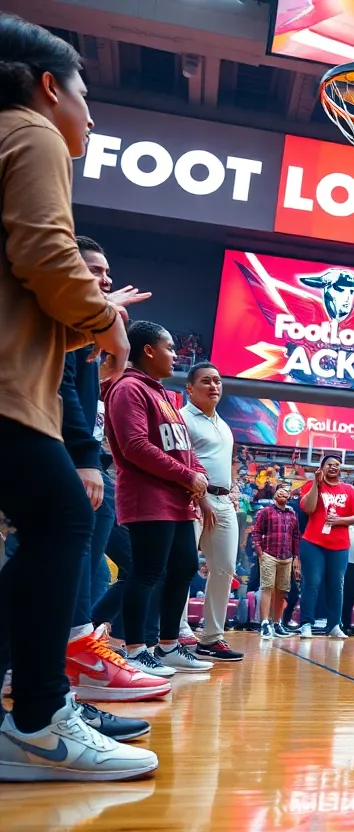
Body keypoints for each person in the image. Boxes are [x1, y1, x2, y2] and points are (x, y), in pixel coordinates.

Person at [0, 16, 156, 782]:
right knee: (63, 516)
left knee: (53, 520)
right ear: (49, 84)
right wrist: (105, 324)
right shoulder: (31, 132)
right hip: (5, 393)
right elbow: (41, 249)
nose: (91, 118)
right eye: (86, 97)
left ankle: (32, 710)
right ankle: (36, 719)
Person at [60, 236, 164, 711]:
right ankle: (71, 658)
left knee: (87, 561)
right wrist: (84, 454)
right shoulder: (58, 323)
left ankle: (76, 650)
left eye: (107, 272)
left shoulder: (83, 338)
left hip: (86, 463)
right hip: (65, 458)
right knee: (56, 557)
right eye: (94, 270)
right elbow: (61, 394)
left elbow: (94, 384)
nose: (105, 280)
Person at [104, 321, 214, 681]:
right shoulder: (128, 389)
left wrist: (199, 476)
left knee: (182, 568)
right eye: (169, 347)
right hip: (147, 498)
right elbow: (135, 447)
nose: (175, 354)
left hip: (178, 500)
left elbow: (185, 450)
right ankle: (135, 650)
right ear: (148, 351)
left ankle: (168, 645)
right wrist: (187, 476)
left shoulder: (165, 396)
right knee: (147, 572)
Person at [179, 362, 243, 662]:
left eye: (218, 381)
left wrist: (231, 488)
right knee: (182, 567)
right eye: (206, 381)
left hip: (223, 502)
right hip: (191, 499)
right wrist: (199, 494)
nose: (214, 386)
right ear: (189, 388)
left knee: (225, 568)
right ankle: (178, 630)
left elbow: (222, 463)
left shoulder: (224, 424)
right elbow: (180, 460)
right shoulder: (182, 419)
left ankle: (212, 637)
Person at [298, 455, 354, 639]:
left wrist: (339, 521)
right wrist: (316, 484)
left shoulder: (348, 490)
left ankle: (334, 625)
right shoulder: (312, 486)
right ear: (322, 467)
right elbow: (309, 508)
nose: (334, 467)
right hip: (313, 543)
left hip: (339, 545)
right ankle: (306, 624)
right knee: (312, 583)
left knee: (337, 585)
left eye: (337, 465)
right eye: (330, 464)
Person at [253, 484, 300, 640]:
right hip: (269, 555)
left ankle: (277, 623)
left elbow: (295, 537)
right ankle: (265, 624)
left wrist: (295, 557)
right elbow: (257, 532)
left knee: (282, 591)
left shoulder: (292, 515)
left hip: (287, 558)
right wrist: (260, 552)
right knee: (267, 588)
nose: (283, 492)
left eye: (286, 491)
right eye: (280, 490)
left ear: (288, 497)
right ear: (274, 496)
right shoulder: (265, 511)